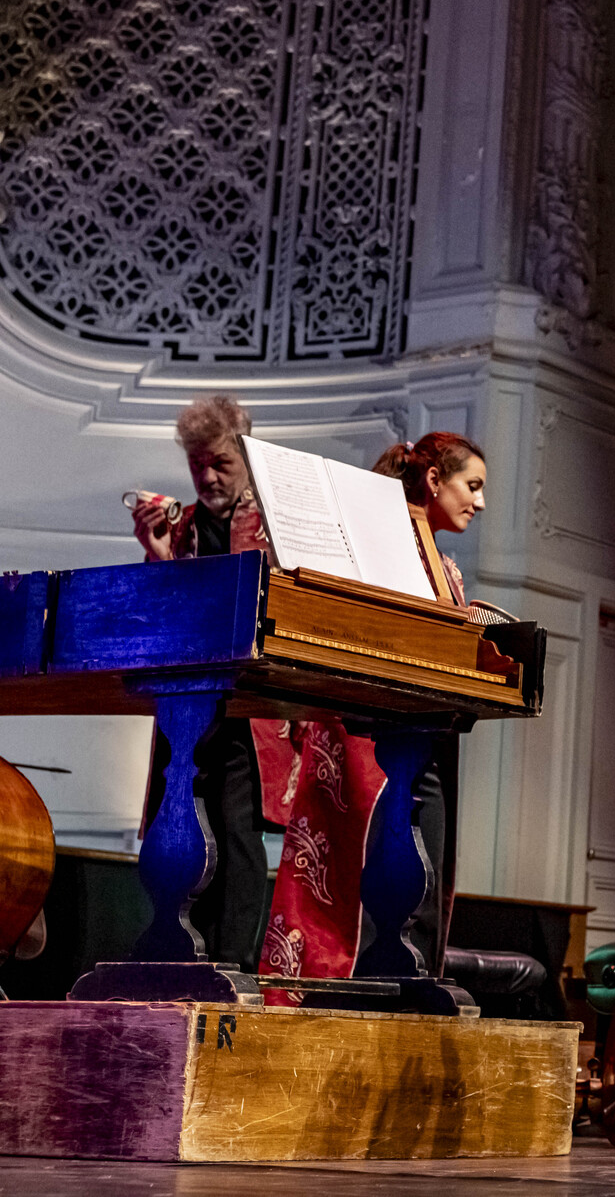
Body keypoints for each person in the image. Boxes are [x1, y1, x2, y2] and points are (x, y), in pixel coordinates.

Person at [257, 432, 489, 990]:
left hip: (423, 736)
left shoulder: (447, 569)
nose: (479, 503)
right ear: (434, 481)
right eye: (472, 486)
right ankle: (343, 997)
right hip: (364, 737)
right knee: (352, 883)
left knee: (423, 874)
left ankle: (409, 991)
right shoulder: (374, 543)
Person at [131, 395, 278, 972]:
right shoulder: (183, 526)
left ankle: (233, 963)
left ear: (243, 455)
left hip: (246, 706)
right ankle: (177, 951)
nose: (208, 476)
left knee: (237, 833)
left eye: (219, 462)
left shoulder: (271, 527)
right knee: (180, 820)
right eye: (198, 465)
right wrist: (157, 554)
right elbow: (155, 618)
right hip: (189, 704)